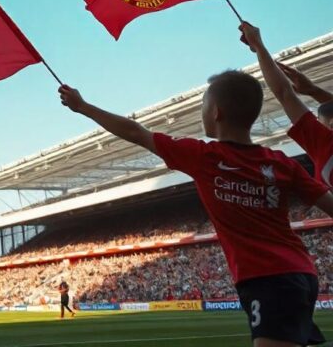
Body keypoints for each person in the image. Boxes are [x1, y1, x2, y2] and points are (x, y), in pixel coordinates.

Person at [59, 67, 333, 347]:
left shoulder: (203, 156)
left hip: (270, 279)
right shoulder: (282, 163)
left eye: (203, 103)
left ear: (215, 112)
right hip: (299, 272)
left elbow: (136, 133)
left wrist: (83, 107)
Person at [240, 23, 333, 188]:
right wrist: (313, 91)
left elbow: (284, 93)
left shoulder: (326, 146)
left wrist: (258, 46)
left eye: (320, 123)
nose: (319, 126)